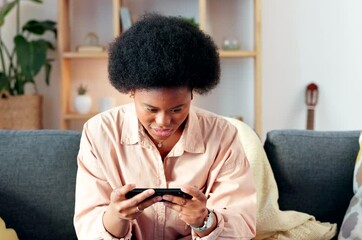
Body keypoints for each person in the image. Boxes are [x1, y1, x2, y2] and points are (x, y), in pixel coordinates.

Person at [74, 14, 256, 240]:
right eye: (151, 109)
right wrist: (116, 217)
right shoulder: (99, 133)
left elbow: (243, 224)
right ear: (130, 92)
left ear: (192, 93)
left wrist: (204, 220)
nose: (163, 122)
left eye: (177, 109)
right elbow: (88, 229)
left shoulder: (222, 135)